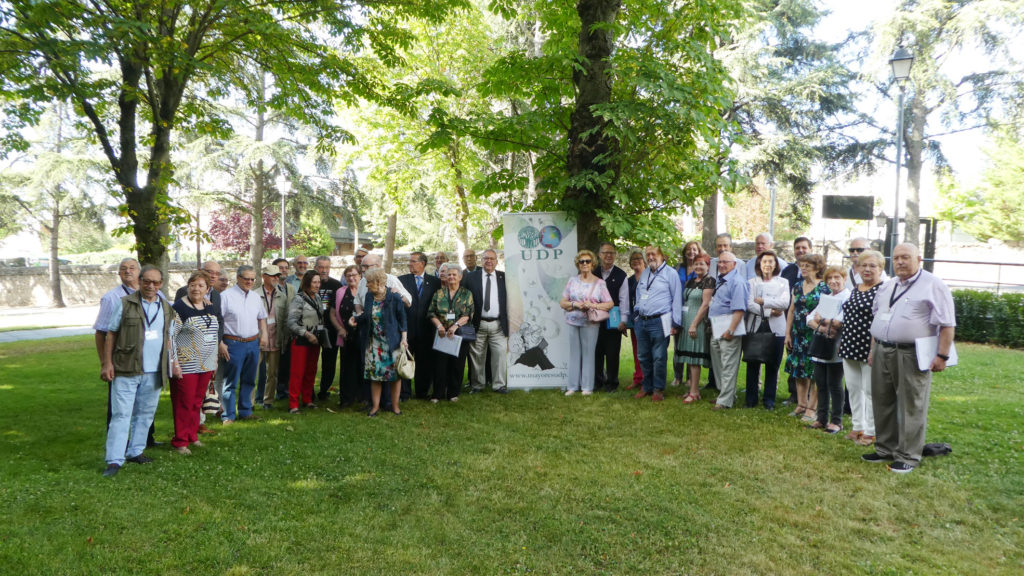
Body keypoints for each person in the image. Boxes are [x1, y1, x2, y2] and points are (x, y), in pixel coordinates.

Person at [864, 243, 956, 474]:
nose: (900, 262)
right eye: (896, 258)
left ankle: (908, 455)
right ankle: (885, 448)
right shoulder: (888, 286)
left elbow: (947, 324)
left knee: (911, 404)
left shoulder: (933, 285)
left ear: (919, 259)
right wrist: (873, 349)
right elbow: (879, 318)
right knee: (882, 400)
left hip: (912, 353)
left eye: (906, 257)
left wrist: (942, 356)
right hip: (883, 350)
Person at [99, 265, 176, 477]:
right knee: (121, 414)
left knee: (145, 414)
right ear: (140, 281)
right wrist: (107, 364)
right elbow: (111, 334)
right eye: (147, 281)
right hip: (126, 369)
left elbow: (169, 337)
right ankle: (114, 460)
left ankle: (136, 451)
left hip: (154, 371)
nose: (151, 286)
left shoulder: (166, 307)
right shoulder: (124, 304)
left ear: (161, 284)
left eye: (156, 282)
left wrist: (172, 363)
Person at [94, 258, 159, 446]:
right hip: (122, 361)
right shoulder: (112, 298)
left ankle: (147, 439)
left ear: (140, 272)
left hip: (150, 361)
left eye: (132, 268)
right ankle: (118, 445)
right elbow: (101, 332)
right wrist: (105, 363)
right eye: (123, 269)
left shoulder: (156, 294)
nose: (128, 271)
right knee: (120, 407)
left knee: (146, 403)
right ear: (119, 274)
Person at [837, 250, 885, 446]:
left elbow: (880, 321)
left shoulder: (883, 290)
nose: (867, 269)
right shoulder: (856, 288)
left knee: (870, 390)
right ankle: (858, 426)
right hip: (849, 344)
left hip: (869, 347)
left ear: (881, 269)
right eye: (863, 265)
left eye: (872, 266)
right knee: (854, 388)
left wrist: (873, 349)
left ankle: (871, 432)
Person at [169, 271, 220, 455]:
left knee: (197, 402)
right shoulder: (179, 309)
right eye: (193, 285)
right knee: (184, 402)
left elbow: (213, 334)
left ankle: (192, 435)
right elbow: (171, 337)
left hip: (206, 364)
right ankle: (180, 441)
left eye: (200, 285)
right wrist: (174, 362)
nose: (196, 288)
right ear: (187, 286)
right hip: (186, 365)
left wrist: (214, 360)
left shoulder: (209, 307)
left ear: (207, 289)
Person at [351, 268, 409, 416]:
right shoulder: (369, 296)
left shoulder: (394, 297)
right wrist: (355, 319)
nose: (366, 285)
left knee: (395, 376)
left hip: (392, 342)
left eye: (369, 282)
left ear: (378, 282)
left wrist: (404, 339)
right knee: (375, 375)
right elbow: (367, 316)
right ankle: (375, 407)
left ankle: (395, 407)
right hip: (374, 342)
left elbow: (402, 319)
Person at [219, 265, 269, 424]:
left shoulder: (255, 297)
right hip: (233, 343)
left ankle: (246, 411)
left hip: (252, 343)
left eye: (252, 279)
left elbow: (262, 317)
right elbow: (218, 322)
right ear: (238, 277)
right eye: (246, 278)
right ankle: (228, 415)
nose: (249, 281)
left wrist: (265, 334)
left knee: (249, 379)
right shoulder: (225, 296)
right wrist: (220, 343)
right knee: (230, 381)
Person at [559, 250, 614, 395]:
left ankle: (587, 387)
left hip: (590, 322)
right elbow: (563, 302)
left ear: (593, 264)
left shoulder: (600, 283)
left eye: (587, 261)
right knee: (574, 353)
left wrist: (593, 305)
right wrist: (575, 305)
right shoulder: (572, 281)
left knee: (589, 354)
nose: (584, 264)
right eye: (581, 261)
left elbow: (609, 304)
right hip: (572, 321)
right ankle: (572, 386)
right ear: (578, 264)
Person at [632, 246, 683, 402]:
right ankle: (646, 386)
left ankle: (658, 389)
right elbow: (640, 294)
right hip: (642, 321)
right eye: (648, 255)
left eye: (653, 254)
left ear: (662, 256)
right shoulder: (646, 272)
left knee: (659, 357)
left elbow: (677, 299)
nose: (650, 257)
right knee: (643, 356)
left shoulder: (671, 274)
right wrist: (636, 313)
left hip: (660, 321)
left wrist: (675, 322)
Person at [784, 253, 829, 422]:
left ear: (817, 268)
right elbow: (791, 310)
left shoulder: (824, 287)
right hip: (798, 333)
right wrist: (788, 333)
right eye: (801, 265)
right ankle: (801, 404)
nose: (803, 268)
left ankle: (812, 408)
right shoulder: (797, 286)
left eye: (807, 266)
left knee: (814, 371)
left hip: (815, 333)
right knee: (799, 369)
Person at [742, 250, 790, 410]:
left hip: (777, 328)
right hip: (755, 326)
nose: (767, 264)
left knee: (773, 365)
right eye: (764, 262)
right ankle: (751, 399)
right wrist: (770, 310)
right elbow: (750, 304)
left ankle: (769, 400)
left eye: (771, 261)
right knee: (753, 364)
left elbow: (784, 304)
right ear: (759, 265)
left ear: (776, 264)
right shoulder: (751, 282)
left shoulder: (783, 282)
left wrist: (763, 301)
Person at [807, 266, 851, 433]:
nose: (833, 281)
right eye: (830, 278)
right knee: (821, 383)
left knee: (835, 384)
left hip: (836, 347)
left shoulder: (847, 297)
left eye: (837, 277)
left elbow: (839, 322)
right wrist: (823, 327)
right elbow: (810, 318)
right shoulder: (826, 297)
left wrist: (822, 320)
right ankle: (821, 418)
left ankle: (836, 420)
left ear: (844, 278)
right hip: (820, 344)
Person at [708, 251, 749, 410]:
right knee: (719, 365)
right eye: (720, 262)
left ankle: (725, 401)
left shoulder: (737, 282)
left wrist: (730, 330)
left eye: (726, 262)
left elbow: (739, 310)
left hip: (728, 328)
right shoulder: (721, 280)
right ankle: (725, 394)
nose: (722, 265)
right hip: (716, 326)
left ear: (734, 264)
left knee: (728, 365)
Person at [465, 249, 509, 394]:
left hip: (498, 324)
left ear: (497, 261)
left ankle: (499, 385)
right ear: (481, 261)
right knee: (477, 355)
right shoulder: (471, 278)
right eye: (486, 258)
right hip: (478, 323)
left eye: (492, 259)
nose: (489, 261)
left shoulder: (504, 278)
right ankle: (477, 385)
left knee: (500, 355)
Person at [428, 263, 474, 402]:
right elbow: (431, 312)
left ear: (460, 277)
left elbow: (469, 314)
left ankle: (453, 393)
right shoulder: (439, 293)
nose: (451, 277)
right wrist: (440, 326)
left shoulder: (467, 293)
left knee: (457, 365)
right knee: (440, 365)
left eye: (454, 274)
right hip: (442, 335)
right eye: (449, 274)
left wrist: (455, 326)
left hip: (458, 335)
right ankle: (437, 394)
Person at [399, 251, 442, 399]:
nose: (409, 264)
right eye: (409, 261)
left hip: (426, 329)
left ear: (422, 263)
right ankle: (404, 392)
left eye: (413, 261)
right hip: (407, 329)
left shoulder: (435, 282)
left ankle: (422, 391)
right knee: (405, 360)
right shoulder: (402, 280)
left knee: (425, 362)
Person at [676, 253, 714, 403]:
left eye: (702, 264)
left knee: (694, 358)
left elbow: (705, 304)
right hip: (687, 321)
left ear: (708, 266)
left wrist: (694, 323)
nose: (698, 267)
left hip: (696, 322)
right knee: (689, 358)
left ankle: (695, 391)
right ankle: (692, 388)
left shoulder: (709, 281)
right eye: (696, 264)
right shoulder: (691, 281)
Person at [286, 270, 324, 413]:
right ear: (307, 283)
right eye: (314, 282)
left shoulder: (318, 298)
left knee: (311, 371)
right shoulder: (298, 299)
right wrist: (306, 334)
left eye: (319, 282)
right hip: (301, 340)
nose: (317, 285)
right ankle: (293, 404)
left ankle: (307, 399)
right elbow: (291, 322)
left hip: (315, 340)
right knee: (297, 373)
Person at [594, 242, 629, 392]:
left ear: (615, 255)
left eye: (612, 253)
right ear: (599, 254)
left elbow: (624, 299)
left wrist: (624, 320)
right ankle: (597, 381)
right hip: (594, 320)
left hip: (613, 321)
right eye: (605, 252)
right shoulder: (592, 272)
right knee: (596, 352)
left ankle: (612, 383)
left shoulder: (621, 275)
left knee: (612, 353)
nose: (608, 255)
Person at [256, 265, 293, 409]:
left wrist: (284, 339)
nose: (276, 278)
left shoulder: (282, 296)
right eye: (272, 276)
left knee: (272, 373)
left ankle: (268, 401)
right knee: (254, 372)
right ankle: (250, 401)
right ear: (264, 276)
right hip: (259, 338)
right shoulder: (255, 294)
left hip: (276, 338)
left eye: (277, 276)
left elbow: (284, 320)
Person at [331, 265, 366, 408]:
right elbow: (332, 313)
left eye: (354, 274)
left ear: (360, 276)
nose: (351, 277)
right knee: (347, 367)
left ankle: (363, 396)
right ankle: (346, 398)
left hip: (363, 335)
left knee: (363, 366)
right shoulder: (340, 292)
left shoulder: (367, 291)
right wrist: (339, 329)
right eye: (348, 275)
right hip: (346, 335)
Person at [672, 240, 705, 387]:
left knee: (691, 344)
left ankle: (690, 379)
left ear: (699, 252)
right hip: (679, 309)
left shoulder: (701, 268)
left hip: (694, 309)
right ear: (684, 252)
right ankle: (677, 377)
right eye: (689, 249)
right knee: (678, 344)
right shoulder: (678, 267)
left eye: (694, 249)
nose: (691, 252)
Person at [311, 256, 343, 402]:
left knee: (329, 362)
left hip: (330, 329)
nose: (324, 270)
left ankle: (324, 391)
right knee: (310, 361)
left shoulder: (336, 285)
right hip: (312, 328)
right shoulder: (309, 283)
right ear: (316, 267)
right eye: (321, 267)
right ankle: (309, 391)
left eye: (327, 267)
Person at [624, 249, 646, 390]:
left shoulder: (651, 277)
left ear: (644, 261)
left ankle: (648, 378)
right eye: (633, 259)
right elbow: (625, 301)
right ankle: (638, 378)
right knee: (637, 350)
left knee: (648, 351)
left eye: (639, 258)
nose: (636, 261)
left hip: (649, 319)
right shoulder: (629, 281)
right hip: (635, 321)